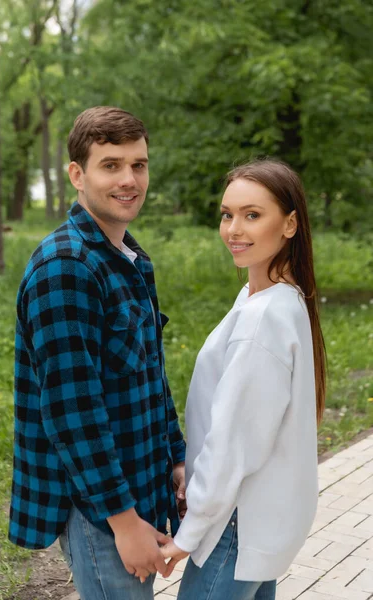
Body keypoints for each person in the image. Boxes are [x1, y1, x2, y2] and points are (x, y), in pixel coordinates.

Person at [8, 106, 186, 600]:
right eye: (111, 165)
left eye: (139, 164)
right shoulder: (66, 268)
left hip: (140, 485)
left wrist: (176, 458)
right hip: (100, 510)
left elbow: (149, 371)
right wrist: (125, 523)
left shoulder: (127, 258)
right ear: (77, 175)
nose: (130, 179)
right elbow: (72, 412)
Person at [161, 159, 326, 600]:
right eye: (227, 214)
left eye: (252, 215)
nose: (234, 228)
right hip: (256, 518)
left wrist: (187, 535)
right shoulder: (270, 298)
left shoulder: (265, 318)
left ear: (290, 224)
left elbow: (234, 443)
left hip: (236, 522)